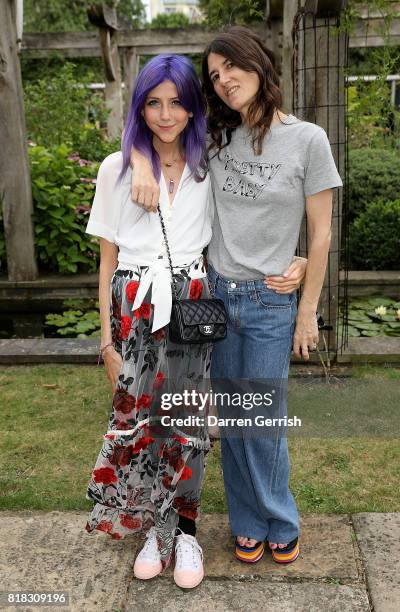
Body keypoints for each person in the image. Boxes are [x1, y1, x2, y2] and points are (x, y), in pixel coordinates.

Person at [129, 26, 342, 566]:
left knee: (264, 419)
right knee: (234, 415)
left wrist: (308, 310)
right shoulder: (214, 136)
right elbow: (155, 129)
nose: (223, 82)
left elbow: (320, 234)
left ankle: (281, 517)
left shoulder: (308, 140)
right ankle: (247, 521)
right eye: (215, 76)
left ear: (259, 66)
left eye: (232, 69)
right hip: (218, 297)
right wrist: (135, 161)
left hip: (273, 299)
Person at [84, 54, 213, 590]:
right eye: (153, 103)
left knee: (188, 418)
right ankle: (151, 528)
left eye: (177, 102)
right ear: (140, 106)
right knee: (139, 421)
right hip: (134, 303)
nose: (165, 114)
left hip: (190, 301)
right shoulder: (117, 167)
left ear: (192, 107)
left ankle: (185, 529)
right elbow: (107, 259)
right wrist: (106, 340)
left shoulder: (211, 160)